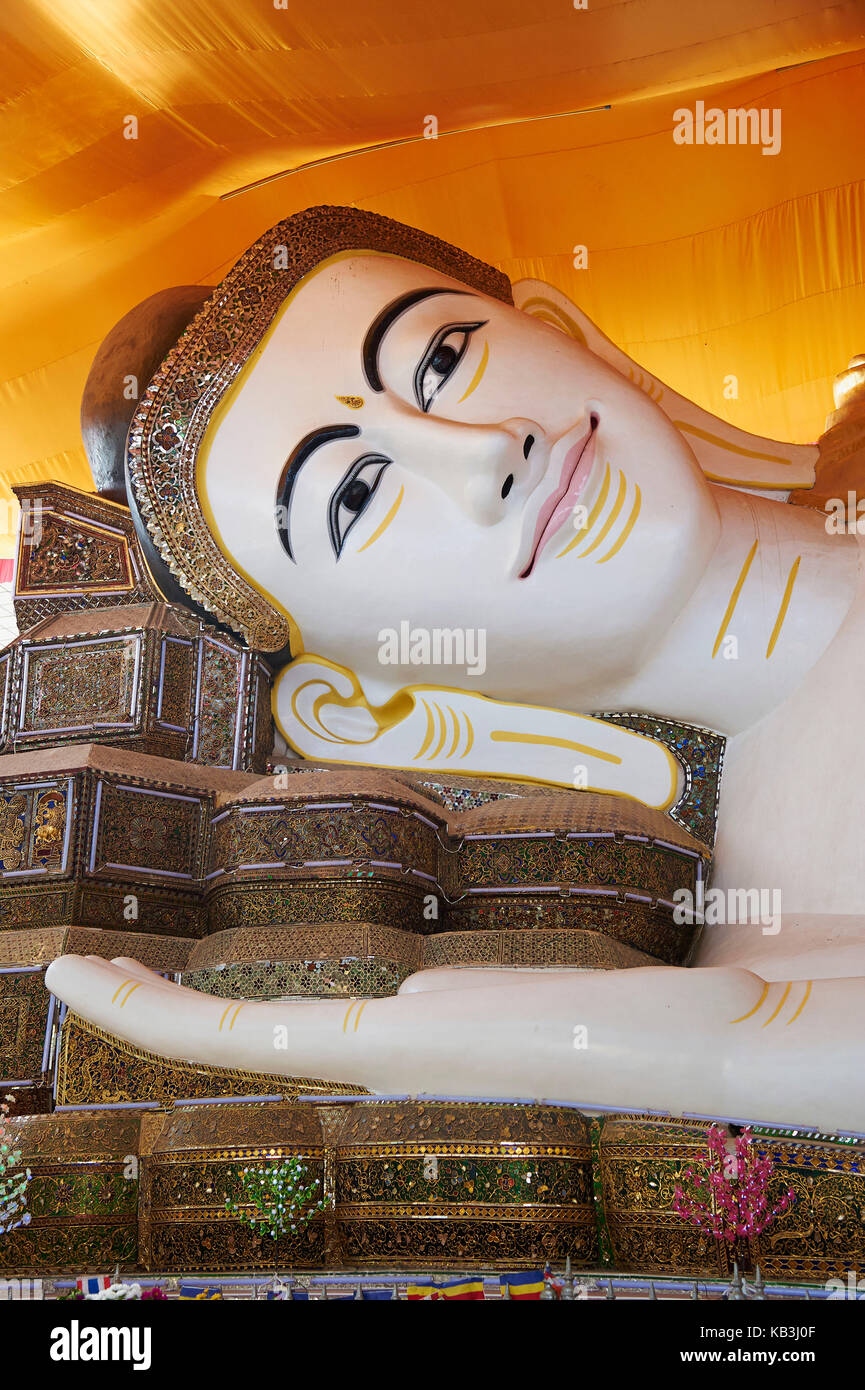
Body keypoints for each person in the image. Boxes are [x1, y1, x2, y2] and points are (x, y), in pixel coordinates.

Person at [46, 206, 865, 1131]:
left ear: (560, 332)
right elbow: (760, 1041)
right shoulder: (798, 952)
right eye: (354, 498)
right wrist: (380, 1039)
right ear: (364, 706)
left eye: (441, 360)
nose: (487, 450)